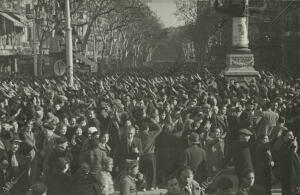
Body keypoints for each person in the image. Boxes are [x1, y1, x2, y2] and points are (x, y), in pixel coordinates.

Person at [139, 118, 162, 190]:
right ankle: (151, 185)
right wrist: (154, 121)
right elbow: (159, 129)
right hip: (150, 155)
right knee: (152, 171)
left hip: (141, 156)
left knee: (142, 171)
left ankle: (142, 186)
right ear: (148, 128)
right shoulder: (151, 134)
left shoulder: (137, 135)